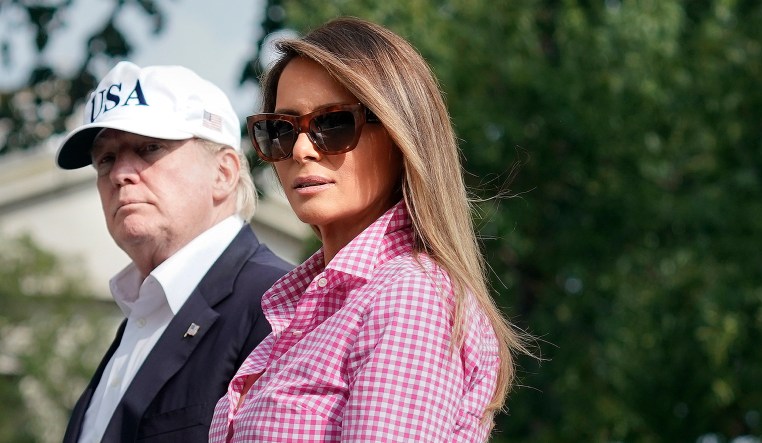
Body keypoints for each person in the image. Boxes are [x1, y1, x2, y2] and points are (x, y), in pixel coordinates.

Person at [209, 17, 529, 442]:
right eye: (281, 130)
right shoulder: (323, 303)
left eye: (334, 123)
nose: (301, 150)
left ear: (400, 136)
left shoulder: (410, 295)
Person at [56, 61, 294, 442]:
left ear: (224, 173)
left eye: (149, 148)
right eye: (106, 159)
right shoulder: (143, 315)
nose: (120, 174)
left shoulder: (279, 304)